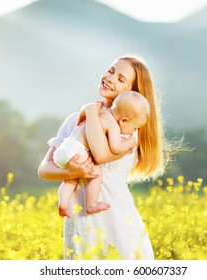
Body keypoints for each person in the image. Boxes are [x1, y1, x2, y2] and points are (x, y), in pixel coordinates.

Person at [38, 55, 171, 259]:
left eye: (120, 79)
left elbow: (100, 155)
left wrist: (91, 112)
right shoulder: (75, 120)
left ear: (133, 92)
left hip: (117, 218)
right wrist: (70, 172)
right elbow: (44, 169)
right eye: (110, 71)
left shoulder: (128, 127)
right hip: (82, 220)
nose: (110, 78)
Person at [55, 90, 150, 218]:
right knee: (96, 172)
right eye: (134, 128)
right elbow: (115, 147)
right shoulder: (113, 125)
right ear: (123, 120)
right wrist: (129, 143)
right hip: (77, 151)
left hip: (64, 149)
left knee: (70, 181)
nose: (133, 131)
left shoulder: (101, 113)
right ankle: (91, 204)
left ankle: (63, 202)